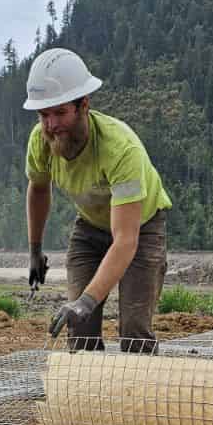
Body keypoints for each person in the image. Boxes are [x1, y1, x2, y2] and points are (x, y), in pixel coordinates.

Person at [23, 47, 172, 353]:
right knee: (79, 329)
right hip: (90, 229)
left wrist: (87, 301)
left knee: (134, 332)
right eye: (43, 115)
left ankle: (140, 398)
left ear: (84, 105)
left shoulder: (120, 148)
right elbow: (39, 189)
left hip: (140, 230)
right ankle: (90, 400)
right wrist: (35, 250)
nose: (51, 125)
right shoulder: (41, 141)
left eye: (60, 112)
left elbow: (125, 241)